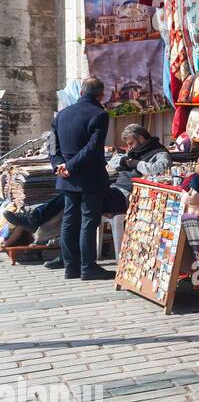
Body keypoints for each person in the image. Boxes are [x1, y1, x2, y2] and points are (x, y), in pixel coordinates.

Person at [4, 125, 163, 270]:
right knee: (73, 201)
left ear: (141, 139)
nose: (129, 147)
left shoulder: (159, 153)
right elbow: (113, 163)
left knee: (76, 194)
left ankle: (38, 220)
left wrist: (134, 163)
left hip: (129, 196)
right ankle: (66, 254)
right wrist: (124, 159)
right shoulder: (133, 152)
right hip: (115, 190)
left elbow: (159, 169)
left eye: (131, 143)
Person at [50, 77, 111, 280]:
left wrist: (60, 166)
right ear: (100, 95)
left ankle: (71, 267)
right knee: (88, 221)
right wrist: (69, 166)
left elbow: (53, 146)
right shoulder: (99, 114)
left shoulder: (62, 115)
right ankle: (88, 267)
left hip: (67, 176)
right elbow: (93, 148)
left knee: (69, 220)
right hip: (88, 176)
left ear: (81, 92)